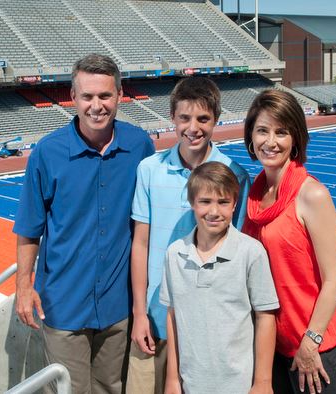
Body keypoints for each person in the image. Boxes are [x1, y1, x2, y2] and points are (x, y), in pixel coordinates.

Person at [13, 53, 155, 393]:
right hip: (63, 305)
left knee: (109, 386)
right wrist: (23, 286)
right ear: (73, 98)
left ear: (120, 96)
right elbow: (30, 228)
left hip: (117, 306)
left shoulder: (140, 146)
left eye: (105, 96)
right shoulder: (47, 153)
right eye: (88, 96)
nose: (97, 105)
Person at [127, 77, 250, 393]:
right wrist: (139, 313)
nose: (193, 127)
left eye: (203, 119)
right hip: (155, 319)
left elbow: (236, 251)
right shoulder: (149, 169)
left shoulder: (233, 174)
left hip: (208, 323)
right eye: (184, 118)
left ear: (216, 120)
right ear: (172, 118)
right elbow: (140, 244)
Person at [242, 89, 336, 394]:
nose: (271, 141)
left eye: (281, 132)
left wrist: (310, 342)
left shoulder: (311, 195)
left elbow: (333, 279)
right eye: (262, 130)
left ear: (296, 139)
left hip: (316, 350)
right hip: (273, 347)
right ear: (251, 135)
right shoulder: (254, 195)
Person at [160, 161, 279, 394]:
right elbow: (173, 317)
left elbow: (265, 317)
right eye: (205, 201)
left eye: (223, 202)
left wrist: (263, 382)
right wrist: (172, 379)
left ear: (235, 204)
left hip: (239, 385)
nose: (214, 212)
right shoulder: (175, 254)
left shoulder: (250, 253)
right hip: (190, 384)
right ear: (192, 203)